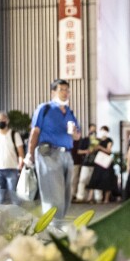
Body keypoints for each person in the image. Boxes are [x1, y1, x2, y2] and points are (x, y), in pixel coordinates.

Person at [26, 79, 81, 219]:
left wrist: (74, 133)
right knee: (53, 195)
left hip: (66, 154)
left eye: (67, 90)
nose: (65, 93)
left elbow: (77, 137)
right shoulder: (45, 108)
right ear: (53, 92)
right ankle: (52, 227)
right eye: (61, 89)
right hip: (48, 153)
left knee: (65, 195)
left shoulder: (69, 112)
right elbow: (35, 132)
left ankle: (57, 224)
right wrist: (29, 154)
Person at [0, 111, 24, 196]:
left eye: (3, 119)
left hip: (12, 169)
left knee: (12, 196)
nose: (1, 121)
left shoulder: (14, 134)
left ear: (7, 120)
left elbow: (21, 152)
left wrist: (21, 164)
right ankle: (0, 210)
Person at [86, 126, 116, 203]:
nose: (103, 132)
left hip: (106, 163)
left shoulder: (109, 140)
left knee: (107, 180)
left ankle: (106, 199)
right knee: (94, 179)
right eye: (102, 130)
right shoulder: (97, 140)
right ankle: (90, 198)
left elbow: (109, 151)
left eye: (105, 131)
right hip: (98, 162)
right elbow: (91, 150)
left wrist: (100, 147)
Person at [72, 123, 94, 202]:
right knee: (76, 180)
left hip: (83, 162)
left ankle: (85, 196)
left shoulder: (83, 140)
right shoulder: (72, 140)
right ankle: (74, 195)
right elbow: (78, 151)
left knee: (84, 180)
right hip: (75, 162)